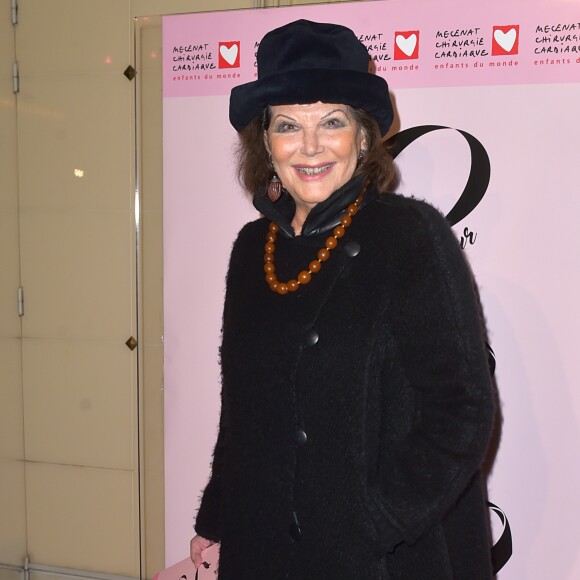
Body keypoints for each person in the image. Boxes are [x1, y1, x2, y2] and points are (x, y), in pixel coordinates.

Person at [190, 19, 494, 580]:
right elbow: (241, 408)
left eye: (331, 121)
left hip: (376, 555)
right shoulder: (252, 247)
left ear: (362, 136)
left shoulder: (410, 236)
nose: (309, 146)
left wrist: (376, 520)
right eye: (288, 125)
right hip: (262, 546)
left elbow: (463, 411)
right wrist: (216, 517)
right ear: (265, 141)